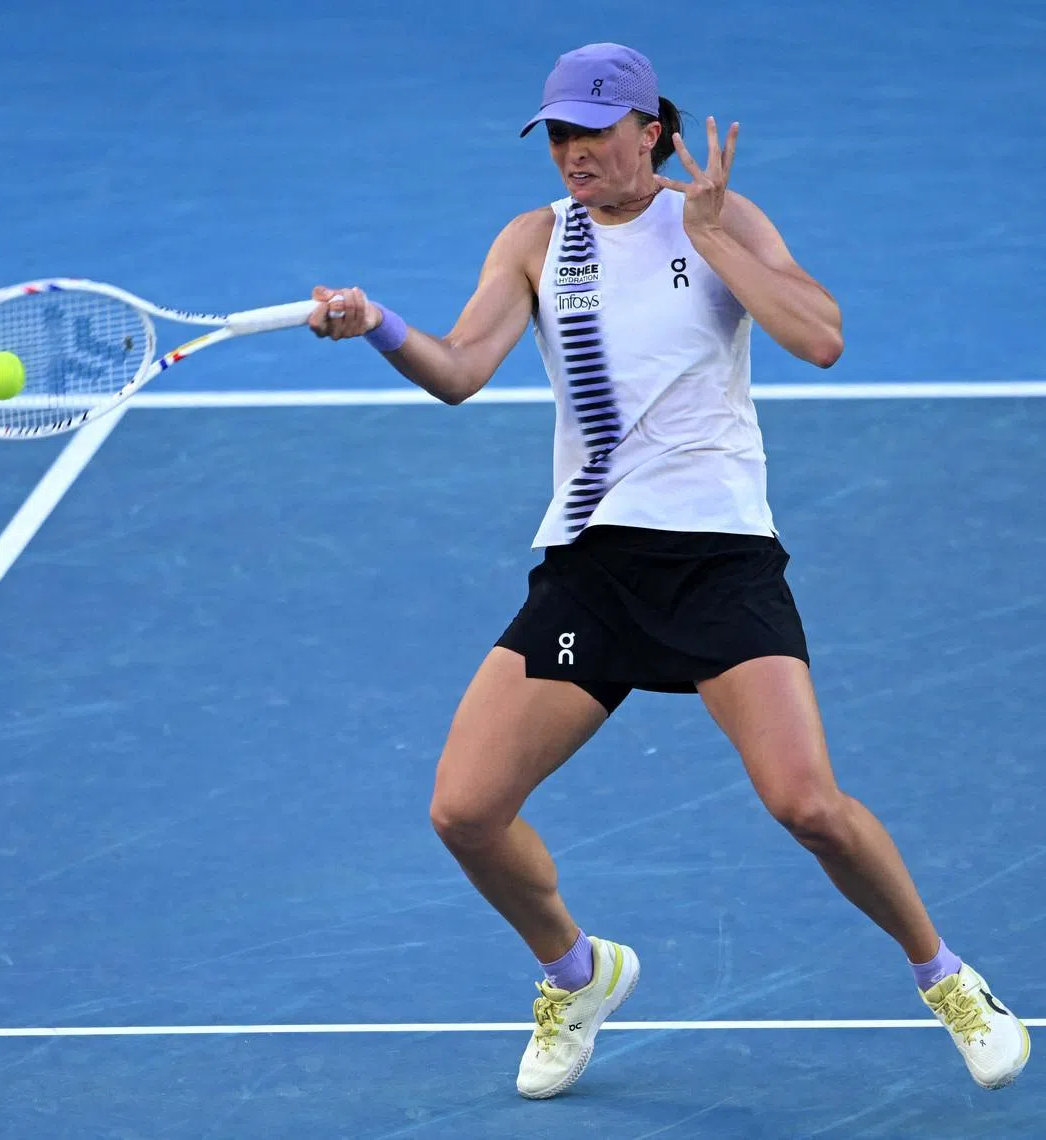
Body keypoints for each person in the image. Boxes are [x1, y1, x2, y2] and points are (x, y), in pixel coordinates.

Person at [305, 42, 1031, 1099]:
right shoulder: (533, 240)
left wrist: (714, 237)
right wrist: (379, 326)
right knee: (465, 810)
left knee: (808, 806)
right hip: (591, 571)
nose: (571, 153)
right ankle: (577, 972)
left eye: (592, 131)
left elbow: (820, 337)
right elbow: (460, 371)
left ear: (652, 129)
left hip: (719, 563)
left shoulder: (721, 218)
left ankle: (948, 977)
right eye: (556, 134)